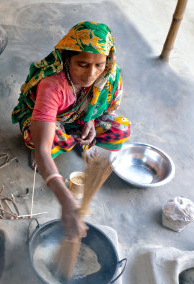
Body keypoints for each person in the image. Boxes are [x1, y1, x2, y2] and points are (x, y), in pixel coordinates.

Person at [12, 21, 130, 239]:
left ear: (108, 60)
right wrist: (67, 201)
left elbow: (106, 108)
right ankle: (56, 141)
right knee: (45, 140)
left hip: (79, 119)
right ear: (67, 59)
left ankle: (78, 138)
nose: (90, 75)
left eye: (99, 65)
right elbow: (43, 151)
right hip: (48, 120)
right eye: (82, 64)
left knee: (120, 129)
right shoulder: (52, 85)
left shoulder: (109, 76)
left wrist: (91, 120)